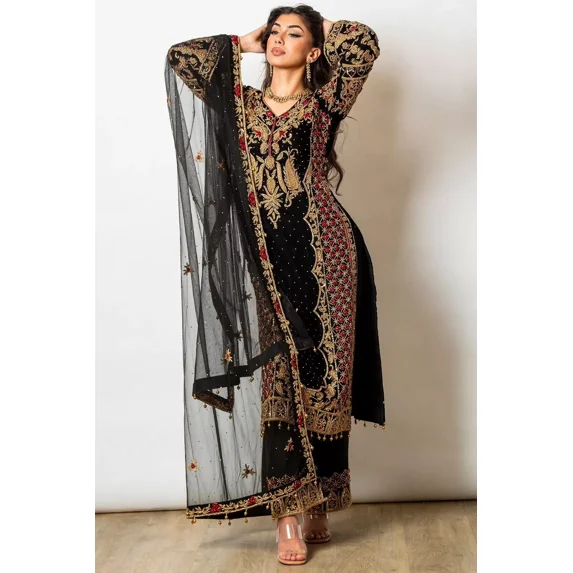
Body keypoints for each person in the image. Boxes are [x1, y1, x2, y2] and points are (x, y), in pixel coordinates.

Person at [165, 3, 386, 566]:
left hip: (328, 252)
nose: (280, 40)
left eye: (293, 34)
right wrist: (245, 41)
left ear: (314, 52)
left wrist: (319, 25)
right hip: (265, 262)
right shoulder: (238, 105)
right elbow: (181, 58)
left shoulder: (325, 101)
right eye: (275, 32)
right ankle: (287, 513)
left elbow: (363, 46)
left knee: (326, 377)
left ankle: (320, 501)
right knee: (279, 380)